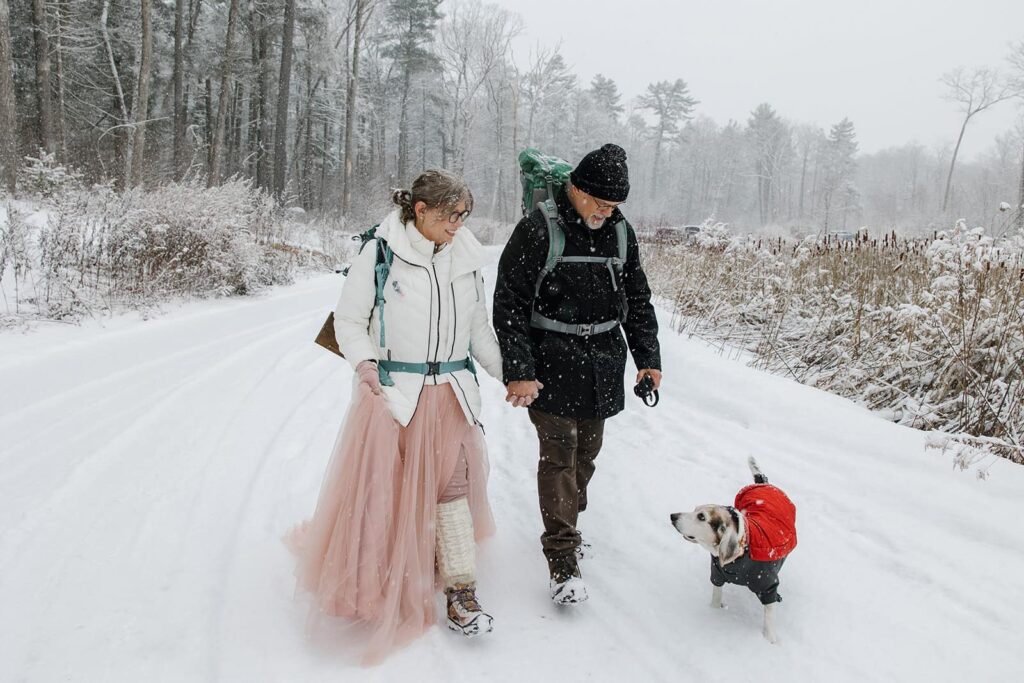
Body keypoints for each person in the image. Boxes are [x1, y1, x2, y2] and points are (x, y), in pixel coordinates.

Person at [289, 170, 504, 664]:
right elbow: (349, 320)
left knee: (452, 488)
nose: (460, 224)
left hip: (452, 395)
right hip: (392, 396)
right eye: (452, 214)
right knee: (388, 494)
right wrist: (365, 365)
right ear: (421, 210)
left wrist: (512, 377)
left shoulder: (467, 258)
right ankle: (377, 581)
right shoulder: (379, 253)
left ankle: (460, 591)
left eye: (465, 215)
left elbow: (479, 334)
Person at [493, 143, 661, 605]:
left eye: (614, 207)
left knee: (587, 453)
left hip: (604, 361)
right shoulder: (538, 228)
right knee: (560, 455)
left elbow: (638, 298)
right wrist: (519, 371)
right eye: (599, 204)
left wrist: (649, 358)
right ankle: (563, 558)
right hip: (551, 361)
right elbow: (508, 302)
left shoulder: (620, 233)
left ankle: (566, 514)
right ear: (576, 188)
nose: (605, 213)